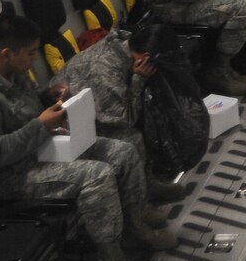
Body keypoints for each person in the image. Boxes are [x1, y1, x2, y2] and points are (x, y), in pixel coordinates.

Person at [0, 14, 167, 261]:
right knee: (96, 176)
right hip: (9, 177)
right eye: (30, 53)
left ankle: (135, 226)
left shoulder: (8, 72)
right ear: (7, 53)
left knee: (122, 151)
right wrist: (40, 126)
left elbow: (25, 104)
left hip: (37, 150)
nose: (34, 58)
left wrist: (46, 95)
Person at [57, 20, 196, 205]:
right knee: (132, 137)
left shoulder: (129, 45)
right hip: (69, 124)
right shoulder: (104, 69)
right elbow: (124, 118)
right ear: (146, 57)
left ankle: (147, 183)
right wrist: (139, 79)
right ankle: (137, 205)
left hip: (95, 109)